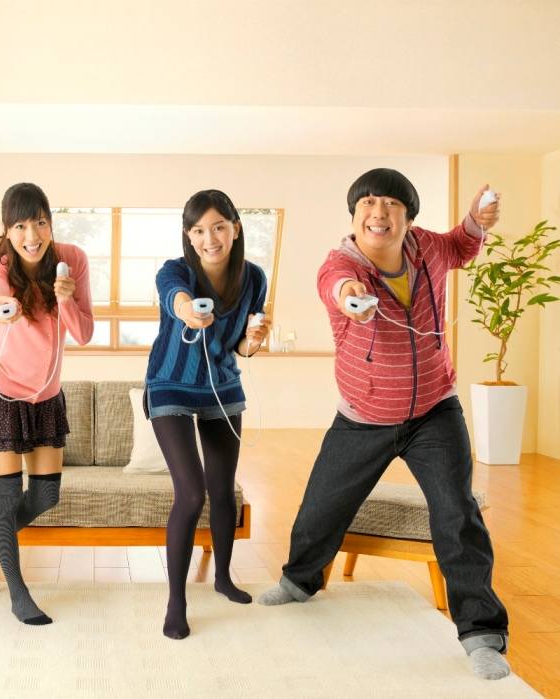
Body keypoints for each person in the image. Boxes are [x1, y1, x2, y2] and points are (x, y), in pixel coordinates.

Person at [257, 168, 511, 681]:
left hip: (435, 411)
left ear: (408, 218)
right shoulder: (341, 265)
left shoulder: (428, 248)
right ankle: (298, 582)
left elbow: (462, 245)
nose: (379, 213)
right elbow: (336, 285)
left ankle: (482, 634)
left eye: (392, 204)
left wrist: (476, 221)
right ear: (354, 216)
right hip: (363, 416)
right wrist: (350, 298)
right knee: (322, 506)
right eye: (368, 203)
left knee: (457, 513)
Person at [0, 182, 94, 625]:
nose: (31, 235)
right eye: (19, 226)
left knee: (45, 495)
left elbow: (84, 333)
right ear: (7, 229)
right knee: (6, 495)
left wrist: (66, 299)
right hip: (1, 393)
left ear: (50, 222)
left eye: (39, 222)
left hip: (46, 397)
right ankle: (19, 594)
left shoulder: (73, 260)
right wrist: (2, 304)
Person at [144, 189, 271, 640]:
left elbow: (242, 348)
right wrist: (187, 311)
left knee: (223, 491)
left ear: (235, 228)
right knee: (192, 493)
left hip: (222, 386)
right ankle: (176, 603)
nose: (209, 238)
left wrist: (256, 339)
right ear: (188, 235)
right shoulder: (175, 270)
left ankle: (222, 578)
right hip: (170, 385)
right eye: (198, 230)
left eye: (218, 227)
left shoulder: (254, 278)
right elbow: (174, 298)